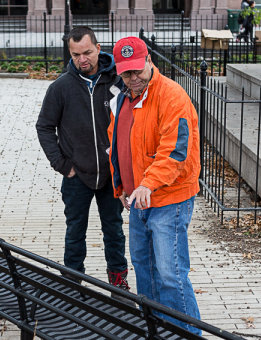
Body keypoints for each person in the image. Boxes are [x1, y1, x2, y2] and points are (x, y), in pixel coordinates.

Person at [107, 36, 201, 334]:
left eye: (137, 70)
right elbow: (116, 142)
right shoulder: (122, 98)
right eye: (126, 73)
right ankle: (155, 330)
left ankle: (187, 333)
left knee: (171, 275)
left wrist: (147, 184)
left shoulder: (172, 96)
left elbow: (175, 151)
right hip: (138, 200)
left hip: (169, 199)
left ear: (149, 62)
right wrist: (120, 185)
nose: (132, 78)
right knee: (145, 272)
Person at [36, 26, 132, 300]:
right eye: (76, 54)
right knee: (74, 230)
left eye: (87, 52)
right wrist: (63, 165)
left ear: (99, 48)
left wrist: (124, 166)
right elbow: (44, 127)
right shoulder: (61, 87)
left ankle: (118, 283)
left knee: (113, 229)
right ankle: (73, 283)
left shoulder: (117, 81)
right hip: (76, 175)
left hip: (112, 175)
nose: (82, 59)